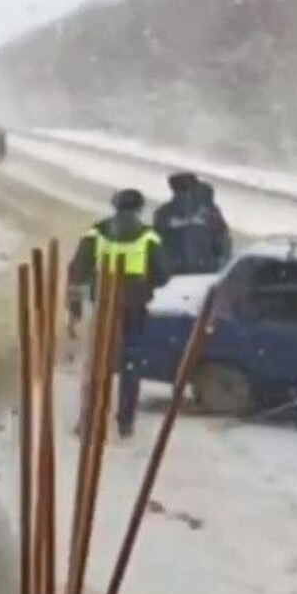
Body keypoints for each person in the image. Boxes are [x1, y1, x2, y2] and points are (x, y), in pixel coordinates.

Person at [68, 188, 169, 438]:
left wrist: (76, 304)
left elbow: (77, 269)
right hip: (134, 307)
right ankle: (125, 422)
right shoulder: (148, 236)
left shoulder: (97, 231)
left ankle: (89, 417)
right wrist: (143, 287)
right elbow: (163, 274)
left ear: (115, 206)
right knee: (131, 363)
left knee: (99, 361)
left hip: (104, 304)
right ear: (139, 209)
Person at [152, 172, 229, 275]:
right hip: (206, 271)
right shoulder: (210, 211)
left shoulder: (164, 212)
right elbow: (222, 239)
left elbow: (156, 244)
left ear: (173, 189)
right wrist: (219, 263)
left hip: (175, 272)